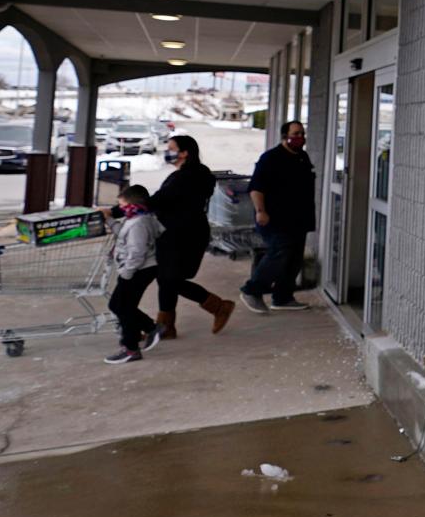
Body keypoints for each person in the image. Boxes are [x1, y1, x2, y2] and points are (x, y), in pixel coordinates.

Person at [148, 134, 235, 337]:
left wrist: (123, 209)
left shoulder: (185, 177)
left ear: (184, 153)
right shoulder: (195, 174)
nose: (167, 152)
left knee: (170, 279)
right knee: (166, 278)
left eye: (171, 149)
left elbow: (158, 200)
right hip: (180, 233)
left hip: (183, 235)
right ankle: (166, 327)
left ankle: (219, 306)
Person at [239, 120, 316, 313]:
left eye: (302, 134)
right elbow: (256, 188)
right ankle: (252, 290)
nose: (300, 138)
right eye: (296, 134)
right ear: (284, 136)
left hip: (299, 219)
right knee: (279, 253)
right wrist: (260, 211)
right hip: (275, 218)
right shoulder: (271, 159)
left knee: (294, 259)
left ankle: (283, 297)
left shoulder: (302, 157)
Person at [104, 185, 165, 364]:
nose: (120, 209)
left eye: (122, 205)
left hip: (139, 270)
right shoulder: (135, 218)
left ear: (133, 204)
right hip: (138, 269)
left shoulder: (139, 223)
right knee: (119, 304)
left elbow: (137, 252)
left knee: (122, 307)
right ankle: (151, 328)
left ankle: (131, 348)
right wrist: (109, 220)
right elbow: (123, 235)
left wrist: (127, 273)